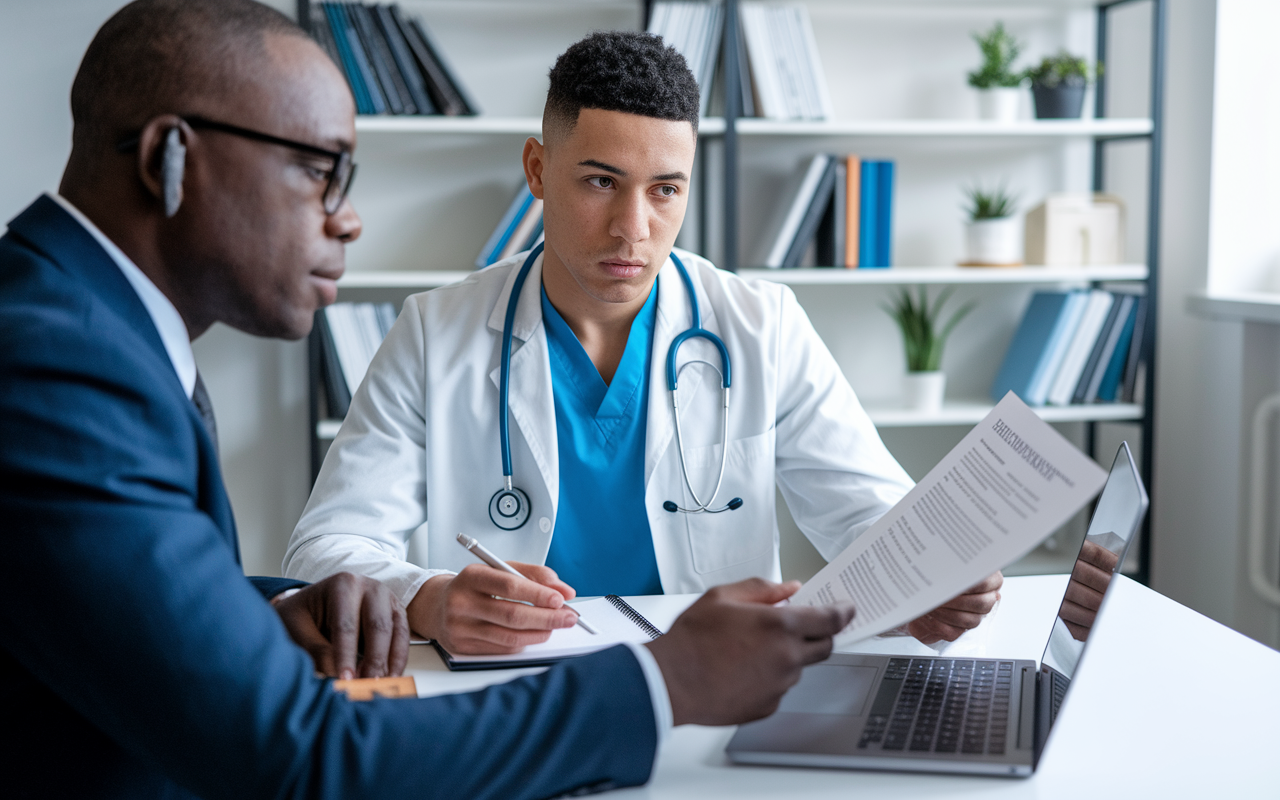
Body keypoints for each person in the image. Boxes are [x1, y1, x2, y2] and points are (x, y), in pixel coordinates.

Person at [0, 2, 856, 797]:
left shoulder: (91, 332)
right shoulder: (57, 365)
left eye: (665, 188)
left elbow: (134, 594)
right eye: (316, 171)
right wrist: (665, 680)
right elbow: (300, 752)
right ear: (168, 160)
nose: (349, 220)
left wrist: (273, 610)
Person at [284, 30, 1002, 656]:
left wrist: (933, 575)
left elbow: (867, 514)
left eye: (665, 190)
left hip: (714, 680)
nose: (633, 228)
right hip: (517, 685)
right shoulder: (434, 334)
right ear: (538, 170)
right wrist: (429, 597)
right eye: (601, 181)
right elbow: (323, 551)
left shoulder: (761, 324)